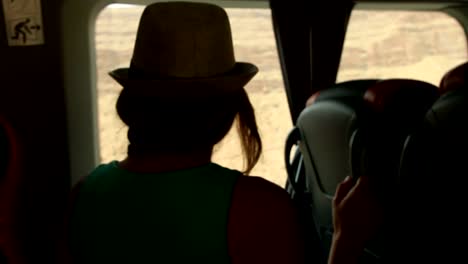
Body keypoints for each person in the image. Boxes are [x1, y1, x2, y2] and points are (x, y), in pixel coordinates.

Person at [66, 2, 382, 264]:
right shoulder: (257, 206)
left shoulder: (82, 195)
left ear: (131, 106)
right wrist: (347, 238)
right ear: (226, 115)